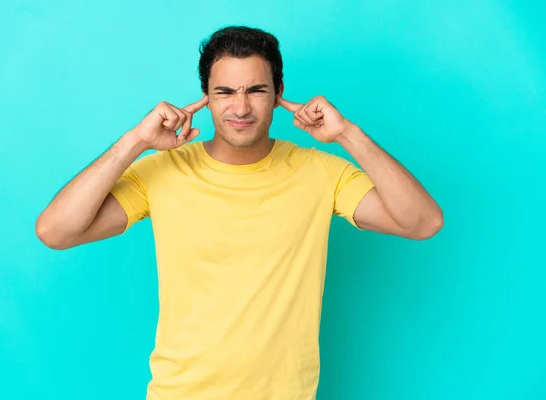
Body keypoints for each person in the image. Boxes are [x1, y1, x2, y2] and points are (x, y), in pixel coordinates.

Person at [36, 25, 443, 400]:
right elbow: (55, 231)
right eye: (225, 92)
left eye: (257, 90)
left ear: (279, 93)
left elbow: (424, 222)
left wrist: (346, 134)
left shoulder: (321, 172)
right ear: (205, 97)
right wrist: (135, 142)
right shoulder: (164, 170)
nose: (241, 107)